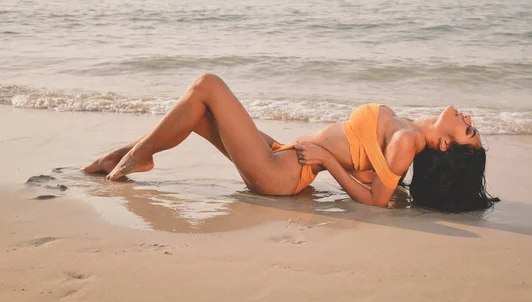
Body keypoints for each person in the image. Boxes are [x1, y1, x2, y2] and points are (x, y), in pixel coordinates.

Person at [82, 73, 499, 212]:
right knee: (201, 111)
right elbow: (379, 182)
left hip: (279, 175)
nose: (468, 119)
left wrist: (327, 163)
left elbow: (374, 200)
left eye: (469, 131)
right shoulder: (407, 129)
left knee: (208, 85)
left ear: (446, 147)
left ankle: (138, 155)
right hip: (281, 158)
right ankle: (120, 157)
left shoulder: (407, 139)